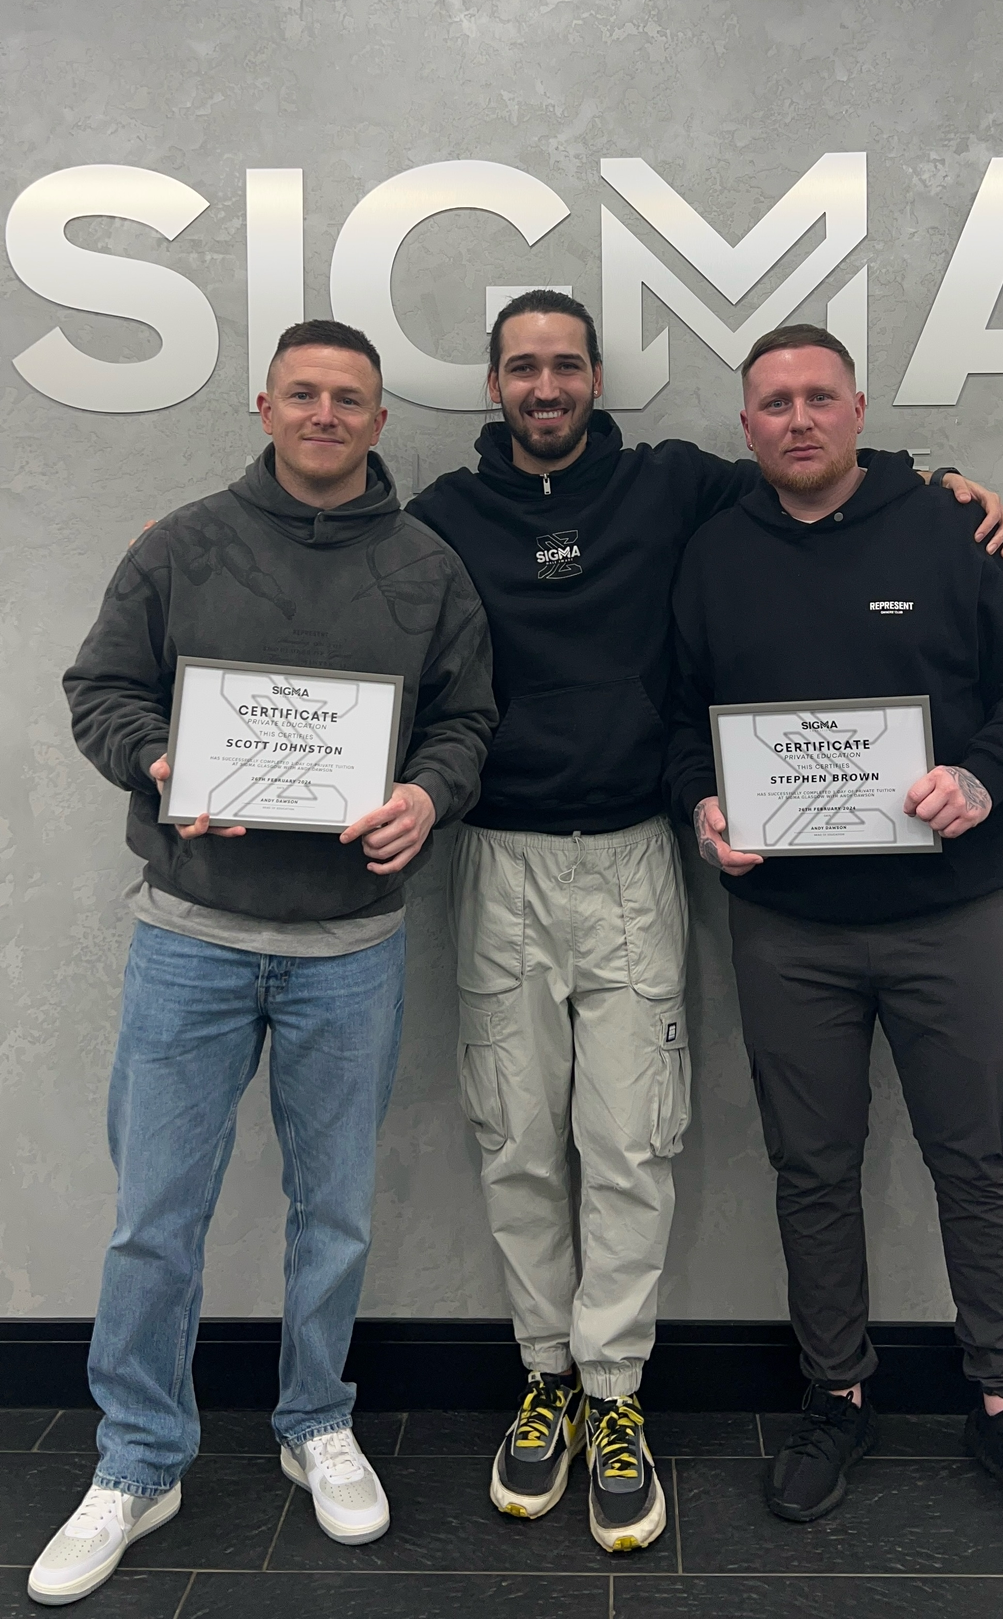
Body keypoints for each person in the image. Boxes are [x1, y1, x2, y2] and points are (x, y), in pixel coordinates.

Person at [409, 290, 1003, 1553]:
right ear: (494, 387)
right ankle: (546, 1384)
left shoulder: (677, 485)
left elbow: (829, 480)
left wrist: (947, 482)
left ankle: (617, 1393)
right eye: (523, 368)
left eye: (567, 365)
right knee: (519, 1139)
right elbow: (344, 567)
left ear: (596, 382)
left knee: (631, 1142)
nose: (547, 386)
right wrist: (194, 538)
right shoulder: (440, 520)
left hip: (636, 856)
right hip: (499, 858)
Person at [29, 320, 495, 1608]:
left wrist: (426, 794)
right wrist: (164, 758)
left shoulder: (427, 566)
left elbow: (468, 719)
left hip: (352, 944)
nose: (327, 413)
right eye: (306, 392)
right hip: (192, 934)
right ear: (266, 402)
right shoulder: (179, 545)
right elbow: (99, 689)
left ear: (380, 417)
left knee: (333, 1212)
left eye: (351, 397)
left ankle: (313, 1423)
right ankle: (138, 1457)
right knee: (153, 1220)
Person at [666, 320, 1003, 1553]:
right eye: (772, 403)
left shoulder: (952, 526)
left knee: (975, 1161)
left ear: (858, 411)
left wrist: (987, 776)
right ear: (745, 428)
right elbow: (676, 718)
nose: (796, 419)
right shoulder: (711, 556)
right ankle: (835, 1392)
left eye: (817, 397)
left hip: (947, 913)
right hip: (786, 925)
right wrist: (700, 799)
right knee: (812, 1168)